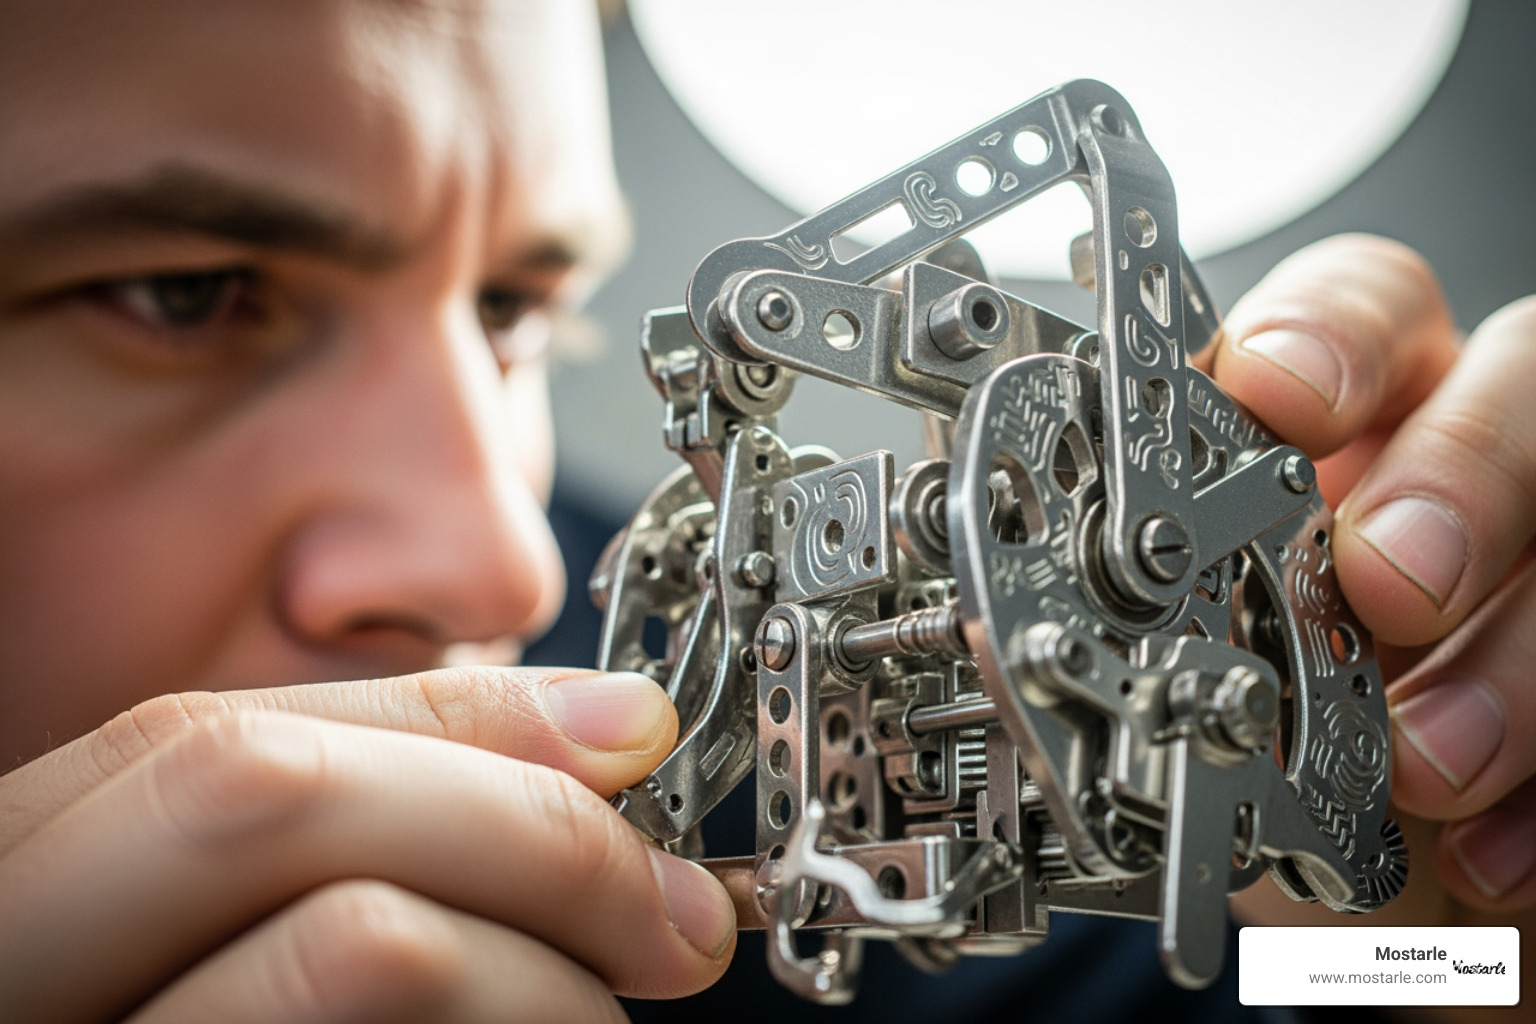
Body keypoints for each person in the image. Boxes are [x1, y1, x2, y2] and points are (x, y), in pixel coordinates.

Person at [0, 0, 1529, 1020]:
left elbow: (1397, 975)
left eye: (520, 306)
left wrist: (1448, 954)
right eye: (182, 297)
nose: (507, 560)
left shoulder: (672, 727)